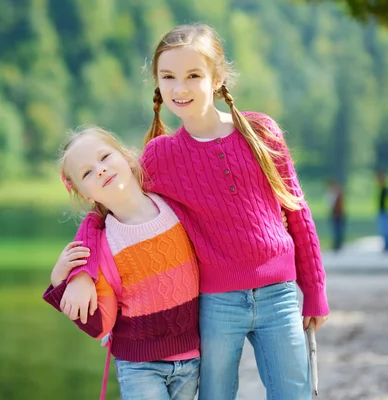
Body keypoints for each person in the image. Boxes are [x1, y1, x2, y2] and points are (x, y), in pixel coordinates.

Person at [58, 23, 330, 400]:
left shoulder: (261, 131)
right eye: (168, 77)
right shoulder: (160, 156)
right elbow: (109, 212)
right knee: (216, 394)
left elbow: (297, 212)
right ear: (157, 82)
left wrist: (314, 289)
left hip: (279, 295)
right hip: (216, 303)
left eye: (193, 76)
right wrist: (83, 273)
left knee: (293, 392)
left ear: (217, 78)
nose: (179, 88)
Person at [43, 126, 201, 400]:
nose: (100, 169)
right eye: (87, 173)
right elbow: (99, 324)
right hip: (140, 366)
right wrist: (61, 282)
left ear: (127, 158)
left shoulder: (174, 207)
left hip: (193, 357)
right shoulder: (102, 248)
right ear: (86, 195)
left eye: (104, 157)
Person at [327, 178, 345, 252]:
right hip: (336, 214)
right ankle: (337, 244)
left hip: (338, 215)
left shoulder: (337, 194)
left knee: (337, 230)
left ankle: (338, 245)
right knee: (336, 230)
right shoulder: (333, 194)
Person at [377, 170, 388, 252]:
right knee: (383, 230)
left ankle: (386, 245)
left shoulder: (385, 188)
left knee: (385, 230)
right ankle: (385, 245)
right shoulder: (379, 188)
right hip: (381, 211)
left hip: (386, 212)